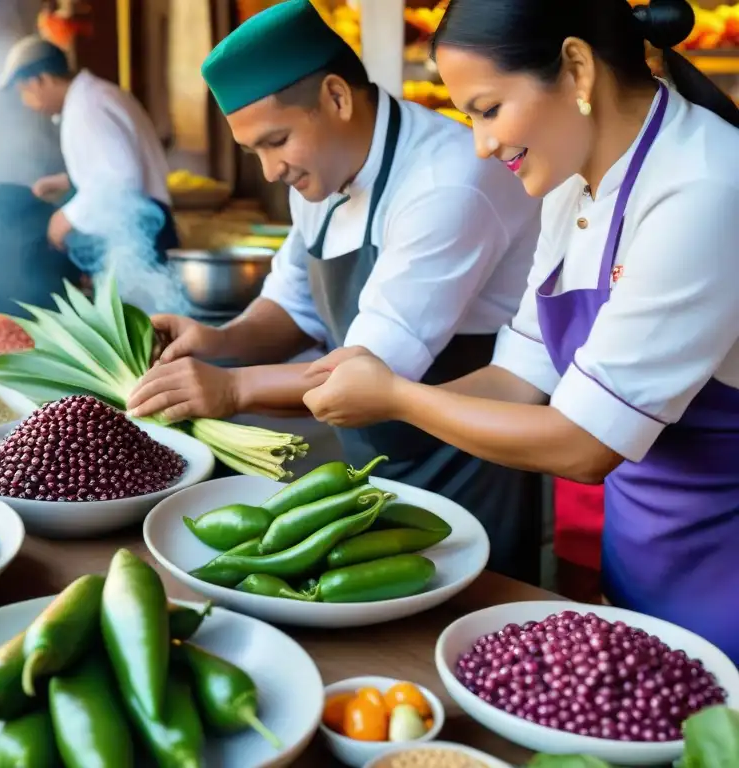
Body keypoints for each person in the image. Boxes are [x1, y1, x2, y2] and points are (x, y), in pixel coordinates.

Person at [302, 0, 739, 660]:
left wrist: (395, 397)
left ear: (576, 68)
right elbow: (520, 378)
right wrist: (371, 392)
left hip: (721, 583)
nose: (480, 144)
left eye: (488, 109)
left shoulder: (707, 187)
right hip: (636, 570)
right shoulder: (570, 185)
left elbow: (587, 445)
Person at [126, 0, 545, 583]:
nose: (270, 170)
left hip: (467, 463)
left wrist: (231, 387)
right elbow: (293, 305)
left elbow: (363, 369)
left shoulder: (448, 182)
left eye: (276, 141)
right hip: (371, 457)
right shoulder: (320, 178)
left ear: (337, 98)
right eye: (255, 152)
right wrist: (218, 341)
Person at [0, 35, 179, 261]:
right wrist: (67, 181)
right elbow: (114, 164)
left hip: (140, 232)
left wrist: (68, 217)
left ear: (41, 80)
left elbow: (121, 180)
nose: (24, 101)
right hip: (144, 225)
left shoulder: (88, 108)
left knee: (135, 297)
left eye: (23, 90)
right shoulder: (94, 96)